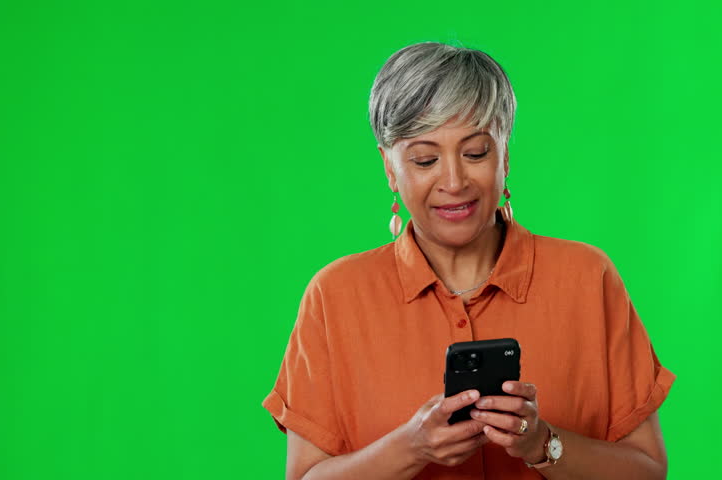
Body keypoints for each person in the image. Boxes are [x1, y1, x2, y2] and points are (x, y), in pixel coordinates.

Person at [262, 41, 677, 480]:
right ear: (389, 168)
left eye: (476, 152)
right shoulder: (336, 296)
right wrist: (411, 447)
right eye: (425, 159)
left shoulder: (587, 278)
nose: (455, 181)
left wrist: (542, 444)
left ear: (505, 155)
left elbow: (646, 469)